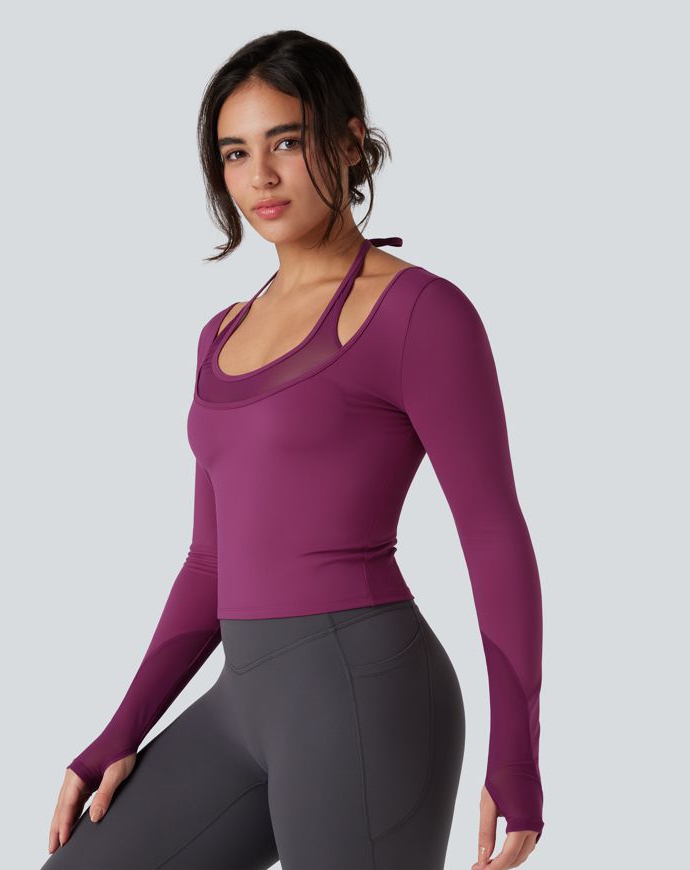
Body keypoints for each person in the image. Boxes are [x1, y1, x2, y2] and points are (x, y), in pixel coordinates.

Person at [42, 29, 544, 870]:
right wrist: (120, 729)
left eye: (286, 141)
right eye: (236, 153)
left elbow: (493, 534)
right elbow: (209, 563)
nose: (261, 176)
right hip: (240, 704)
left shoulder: (420, 314)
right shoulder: (222, 333)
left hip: (368, 696)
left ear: (349, 143)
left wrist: (517, 753)